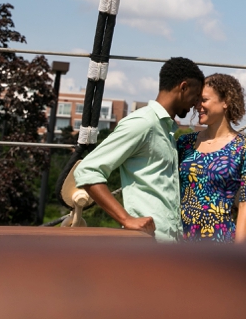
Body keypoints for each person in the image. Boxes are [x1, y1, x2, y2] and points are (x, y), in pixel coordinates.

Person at [73, 57, 204, 241]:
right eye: (196, 95)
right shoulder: (143, 123)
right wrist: (126, 219)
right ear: (183, 87)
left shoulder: (166, 130)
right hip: (148, 245)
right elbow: (87, 170)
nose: (196, 104)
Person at [178, 73, 246, 242]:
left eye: (204, 100)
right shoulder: (184, 143)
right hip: (178, 241)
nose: (197, 106)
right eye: (196, 100)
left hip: (220, 244)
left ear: (226, 101)